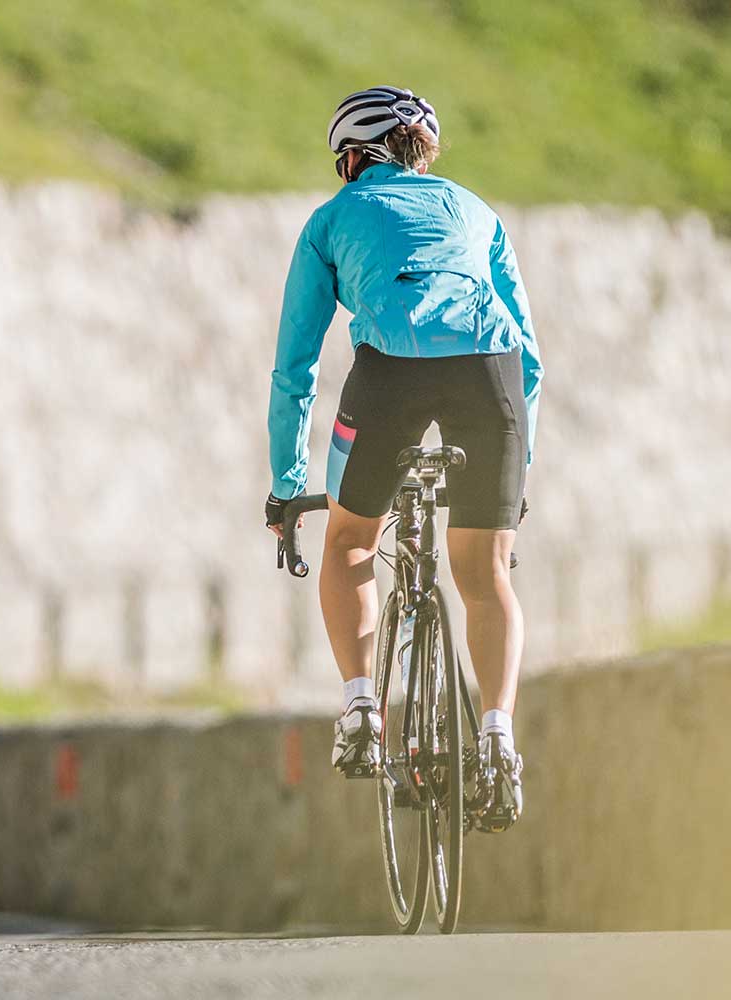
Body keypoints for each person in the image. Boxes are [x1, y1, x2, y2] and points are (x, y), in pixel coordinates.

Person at [263, 87, 543, 831]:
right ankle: (498, 739)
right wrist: (517, 477)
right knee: (483, 576)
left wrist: (289, 486)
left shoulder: (331, 220)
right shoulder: (478, 211)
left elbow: (295, 368)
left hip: (389, 375)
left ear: (358, 156)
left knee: (351, 539)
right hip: (493, 378)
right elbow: (533, 359)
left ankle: (360, 707)